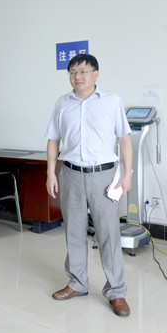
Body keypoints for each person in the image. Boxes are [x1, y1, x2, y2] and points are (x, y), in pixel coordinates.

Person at [45, 54, 133, 317]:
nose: (77, 77)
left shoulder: (112, 101)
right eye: (72, 72)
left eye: (83, 71)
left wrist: (127, 175)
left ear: (96, 74)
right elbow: (53, 140)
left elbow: (124, 139)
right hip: (71, 173)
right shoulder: (62, 103)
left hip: (103, 176)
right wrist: (51, 173)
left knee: (108, 234)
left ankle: (116, 291)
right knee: (73, 231)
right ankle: (77, 283)